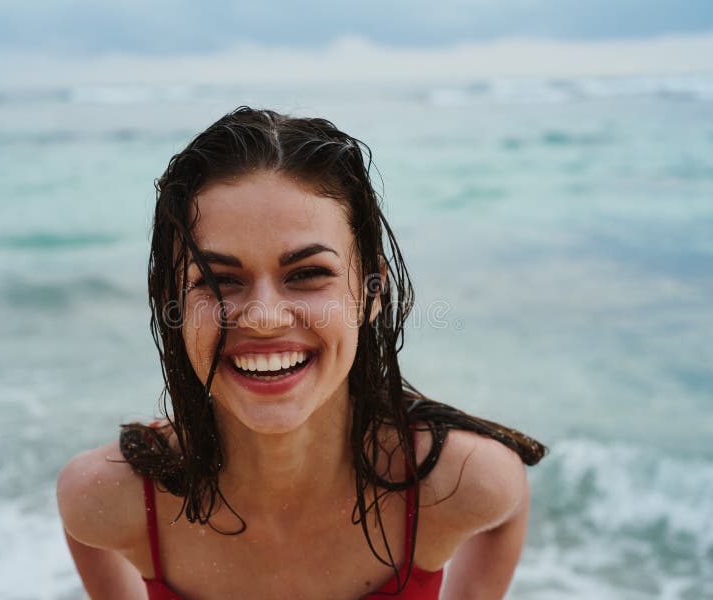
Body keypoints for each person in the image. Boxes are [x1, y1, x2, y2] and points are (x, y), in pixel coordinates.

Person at [57, 106, 547, 600]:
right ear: (174, 304)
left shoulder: (455, 481)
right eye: (219, 279)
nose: (264, 317)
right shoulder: (109, 498)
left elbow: (507, 504)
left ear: (371, 293)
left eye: (308, 274)